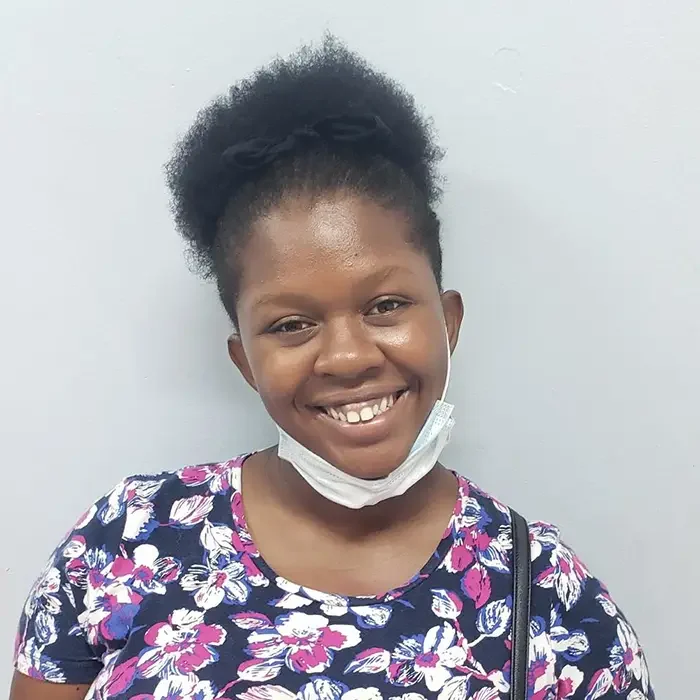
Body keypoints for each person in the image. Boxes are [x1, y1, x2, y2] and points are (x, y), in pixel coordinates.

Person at [10, 36, 653, 700]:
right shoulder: (129, 539)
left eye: (385, 305)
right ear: (244, 360)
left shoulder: (548, 598)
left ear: (449, 322)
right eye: (290, 325)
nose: (347, 357)